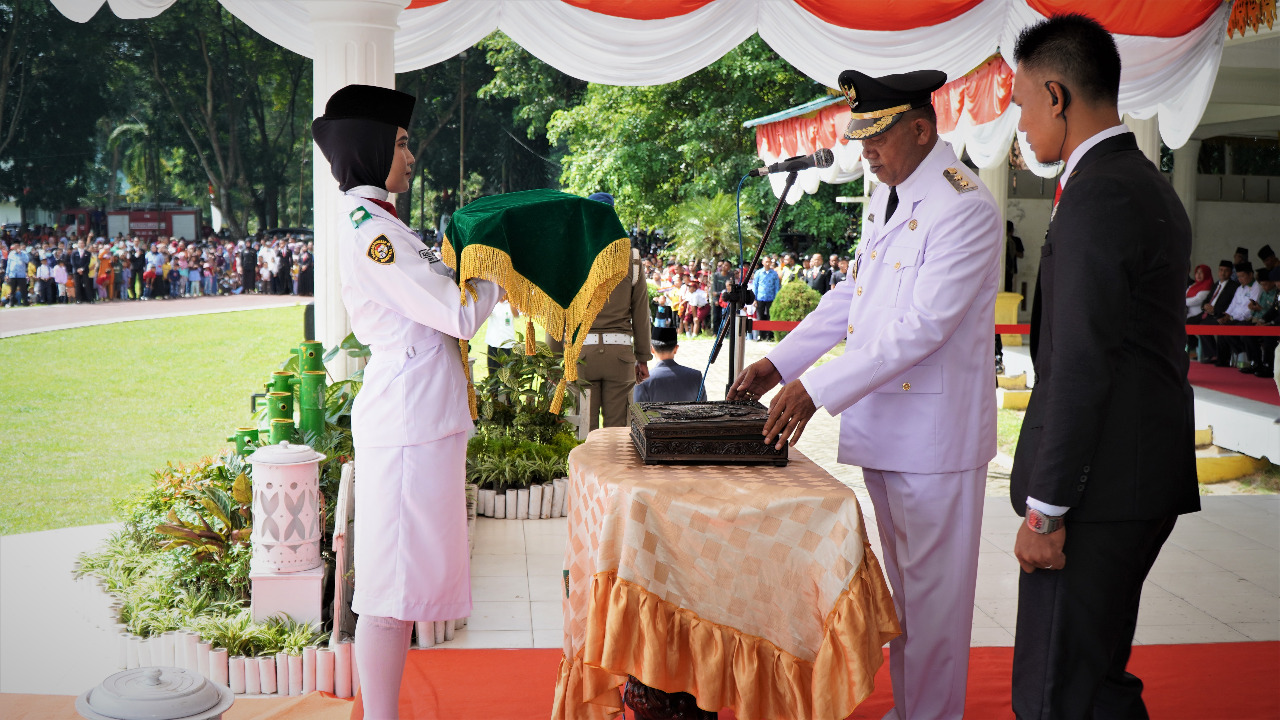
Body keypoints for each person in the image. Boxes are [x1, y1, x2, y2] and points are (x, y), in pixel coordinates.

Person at [730, 67, 1000, 720]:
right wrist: (779, 360)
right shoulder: (891, 194)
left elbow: (922, 327)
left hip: (935, 439)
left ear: (918, 128)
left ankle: (933, 716)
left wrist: (815, 386)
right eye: (861, 136)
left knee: (935, 602)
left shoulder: (963, 205)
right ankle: (915, 711)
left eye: (877, 137)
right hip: (890, 428)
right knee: (904, 597)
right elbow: (855, 296)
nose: (865, 150)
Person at [1007, 15, 1200, 719]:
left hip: (1100, 488)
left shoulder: (1100, 195)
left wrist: (1048, 507)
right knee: (1090, 679)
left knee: (1059, 691)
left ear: (1057, 96)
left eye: (1024, 103)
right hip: (1132, 473)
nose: (1021, 126)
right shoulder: (1138, 182)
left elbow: (1081, 364)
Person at [311, 83, 501, 719]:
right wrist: (498, 266)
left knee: (399, 584)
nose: (411, 155)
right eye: (399, 142)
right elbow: (456, 310)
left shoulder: (384, 222)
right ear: (368, 149)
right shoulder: (373, 233)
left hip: (421, 413)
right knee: (388, 587)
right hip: (406, 418)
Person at [548, 192, 653, 431]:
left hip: (580, 353)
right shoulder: (632, 258)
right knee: (617, 433)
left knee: (583, 430)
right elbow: (640, 313)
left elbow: (557, 314)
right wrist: (643, 358)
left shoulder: (568, 259)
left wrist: (552, 360)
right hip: (620, 355)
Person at [634, 326, 704, 402]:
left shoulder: (643, 380)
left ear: (652, 349)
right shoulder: (696, 377)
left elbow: (637, 412)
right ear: (676, 349)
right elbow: (704, 409)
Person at [1188, 259, 1239, 362]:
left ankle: (1213, 354)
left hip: (1220, 315)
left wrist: (1215, 310)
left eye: (1226, 270)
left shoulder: (1233, 286)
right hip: (1207, 313)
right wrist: (1205, 306)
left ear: (1231, 272)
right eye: (1221, 270)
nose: (1223, 273)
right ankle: (1194, 349)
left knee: (1203, 326)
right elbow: (1206, 300)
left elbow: (1231, 305)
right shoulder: (1216, 284)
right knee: (1186, 322)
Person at [484, 290, 519, 374]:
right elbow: (485, 313)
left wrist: (511, 301)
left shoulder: (511, 304)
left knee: (508, 374)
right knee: (493, 374)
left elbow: (516, 315)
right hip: (493, 343)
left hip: (508, 344)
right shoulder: (492, 303)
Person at [750, 256, 780, 340]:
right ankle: (760, 335)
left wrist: (776, 299)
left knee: (770, 316)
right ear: (762, 262)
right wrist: (754, 299)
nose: (767, 263)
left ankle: (769, 335)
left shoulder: (774, 273)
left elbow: (777, 287)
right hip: (760, 298)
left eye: (769, 262)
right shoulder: (758, 273)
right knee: (760, 316)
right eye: (766, 262)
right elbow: (755, 286)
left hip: (771, 298)